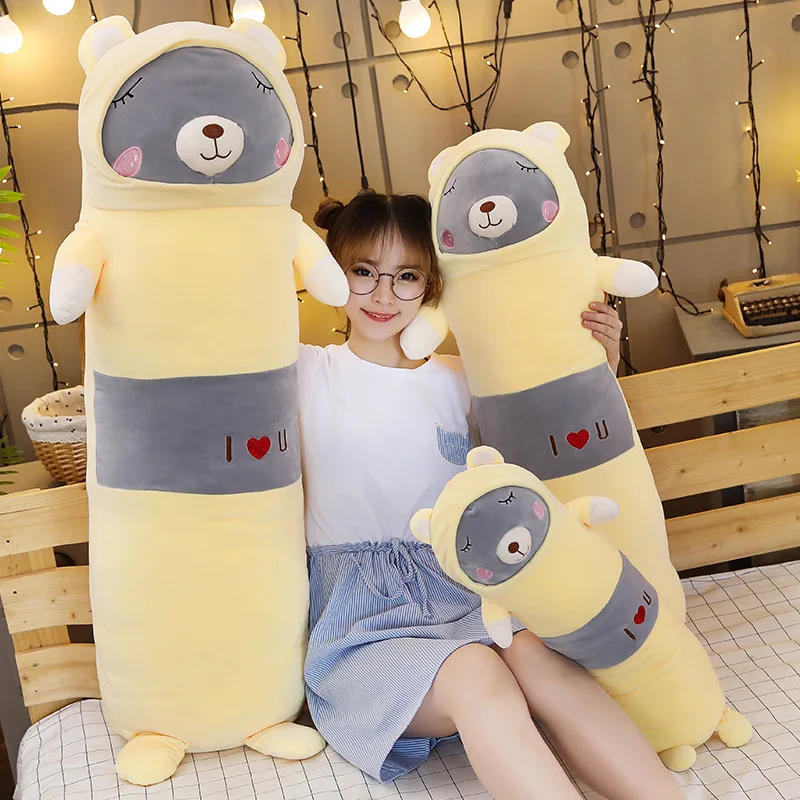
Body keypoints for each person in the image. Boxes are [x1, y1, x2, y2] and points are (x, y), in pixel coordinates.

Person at [299, 191, 683, 800]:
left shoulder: (462, 376)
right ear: (334, 273)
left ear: (431, 285)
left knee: (536, 657)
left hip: (469, 589)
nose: (382, 294)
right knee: (476, 670)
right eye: (363, 271)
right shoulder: (304, 373)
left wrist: (597, 362)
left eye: (407, 276)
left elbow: (550, 438)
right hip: (363, 622)